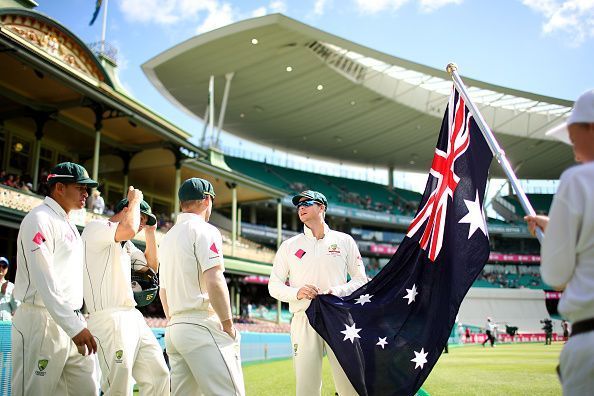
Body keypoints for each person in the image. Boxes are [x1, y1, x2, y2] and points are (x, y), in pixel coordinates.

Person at [525, 88, 594, 395]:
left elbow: (555, 276)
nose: (570, 141)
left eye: (573, 131)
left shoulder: (578, 180)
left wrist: (553, 234)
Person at [268, 190, 367, 396]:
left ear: (321, 207)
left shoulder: (344, 240)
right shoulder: (289, 246)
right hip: (304, 318)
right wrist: (297, 292)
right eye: (298, 205)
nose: (301, 208)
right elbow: (273, 286)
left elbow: (360, 279)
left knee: (350, 383)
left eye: (307, 203)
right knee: (307, 388)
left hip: (338, 317)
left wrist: (337, 291)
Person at [12, 162, 98, 395]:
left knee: (87, 389)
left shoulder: (67, 223)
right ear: (59, 187)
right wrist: (74, 325)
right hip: (40, 320)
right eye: (80, 187)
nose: (86, 194)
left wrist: (77, 321)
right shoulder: (39, 219)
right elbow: (45, 279)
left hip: (71, 320)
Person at [159, 177, 245, 396]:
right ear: (207, 200)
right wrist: (227, 325)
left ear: (182, 203)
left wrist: (174, 322)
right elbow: (214, 279)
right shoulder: (205, 229)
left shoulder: (167, 237)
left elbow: (163, 290)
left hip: (175, 327)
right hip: (200, 324)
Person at [82, 187, 169, 395]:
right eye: (140, 218)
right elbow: (128, 228)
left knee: (159, 376)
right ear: (128, 209)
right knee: (119, 387)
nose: (141, 225)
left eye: (144, 221)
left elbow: (151, 268)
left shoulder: (127, 244)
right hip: (108, 316)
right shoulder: (96, 228)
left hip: (132, 316)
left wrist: (150, 231)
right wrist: (135, 200)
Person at [0, 256, 19, 321]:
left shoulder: (11, 286)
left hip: (6, 324)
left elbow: (16, 308)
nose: (1, 268)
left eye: (4, 266)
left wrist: (14, 297)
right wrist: (1, 294)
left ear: (7, 269)